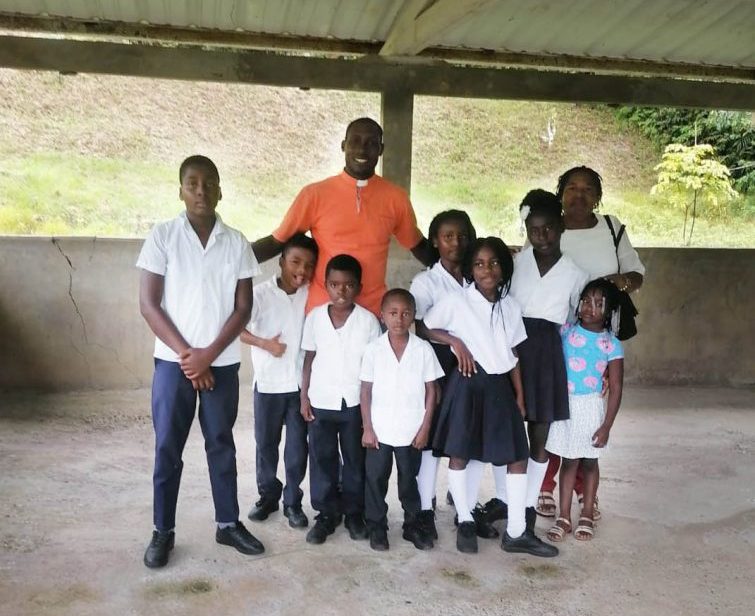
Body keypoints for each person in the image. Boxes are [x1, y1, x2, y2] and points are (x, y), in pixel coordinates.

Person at [137, 155, 263, 568]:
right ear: (180, 190)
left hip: (221, 364)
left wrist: (208, 355)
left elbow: (242, 308)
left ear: (221, 190)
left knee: (221, 444)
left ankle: (227, 524)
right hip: (173, 365)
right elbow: (149, 304)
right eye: (192, 183)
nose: (201, 191)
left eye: (209, 183)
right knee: (167, 448)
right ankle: (162, 532)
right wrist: (189, 357)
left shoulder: (237, 242)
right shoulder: (163, 236)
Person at [423, 237, 558, 557]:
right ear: (471, 268)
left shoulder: (510, 306)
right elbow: (428, 327)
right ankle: (466, 520)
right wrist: (456, 343)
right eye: (480, 263)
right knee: (460, 453)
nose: (487, 269)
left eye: (494, 263)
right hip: (467, 385)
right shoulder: (458, 301)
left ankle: (515, 532)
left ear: (504, 268)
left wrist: (521, 396)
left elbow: (512, 354)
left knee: (516, 456)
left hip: (500, 387)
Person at [537, 166, 645, 519]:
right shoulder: (548, 226)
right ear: (560, 193)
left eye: (588, 189)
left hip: (597, 343)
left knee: (588, 413)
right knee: (555, 411)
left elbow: (636, 273)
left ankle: (585, 491)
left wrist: (618, 284)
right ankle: (547, 485)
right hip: (558, 338)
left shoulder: (611, 228)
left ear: (598, 196)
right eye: (571, 187)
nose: (579, 195)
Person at [251, 117, 434, 316]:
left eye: (371, 143)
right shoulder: (315, 194)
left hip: (372, 311)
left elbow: (419, 246)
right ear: (343, 145)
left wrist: (462, 269)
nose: (362, 150)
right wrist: (228, 260)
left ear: (381, 150)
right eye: (355, 141)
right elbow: (276, 242)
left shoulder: (396, 198)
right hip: (321, 311)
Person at [483, 191, 588, 528]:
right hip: (512, 350)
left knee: (539, 432)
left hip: (546, 353)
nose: (542, 236)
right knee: (508, 429)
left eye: (549, 229)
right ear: (527, 229)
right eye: (534, 230)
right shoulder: (515, 263)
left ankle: (527, 505)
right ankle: (506, 499)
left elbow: (573, 318)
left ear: (561, 229)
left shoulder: (575, 273)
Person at [299, 254, 381, 544]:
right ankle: (326, 514)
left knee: (354, 461)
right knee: (322, 459)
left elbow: (373, 369)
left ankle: (354, 513)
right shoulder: (315, 318)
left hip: (354, 405)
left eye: (348, 285)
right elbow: (308, 358)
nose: (341, 291)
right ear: (326, 285)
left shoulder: (368, 322)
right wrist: (304, 397)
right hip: (321, 401)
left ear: (358, 287)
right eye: (334, 284)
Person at [242, 233, 319, 529]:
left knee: (298, 447)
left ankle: (292, 502)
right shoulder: (260, 294)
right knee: (266, 444)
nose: (302, 270)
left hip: (299, 387)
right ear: (281, 261)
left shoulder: (311, 293)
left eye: (309, 265)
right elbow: (235, 327)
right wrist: (264, 343)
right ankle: (268, 497)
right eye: (295, 262)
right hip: (268, 385)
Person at [409, 209, 476, 540]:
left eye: (462, 235)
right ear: (435, 241)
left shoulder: (477, 274)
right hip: (439, 363)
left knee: (465, 435)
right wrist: (452, 340)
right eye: (448, 236)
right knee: (432, 437)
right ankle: (424, 507)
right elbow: (419, 326)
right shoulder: (426, 281)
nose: (455, 242)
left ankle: (466, 506)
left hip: (472, 365)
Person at [360, 289, 444, 551]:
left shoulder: (423, 349)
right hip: (380, 431)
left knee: (409, 480)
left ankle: (412, 525)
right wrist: (368, 428)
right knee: (375, 479)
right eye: (393, 313)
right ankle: (377, 526)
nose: (399, 319)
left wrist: (425, 428)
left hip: (411, 431)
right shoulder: (373, 350)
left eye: (406, 313)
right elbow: (365, 390)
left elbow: (432, 391)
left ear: (413, 316)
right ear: (382, 316)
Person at [545, 279, 624, 542]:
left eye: (599, 304)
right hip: (566, 406)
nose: (591, 307)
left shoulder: (611, 344)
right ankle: (564, 516)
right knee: (568, 461)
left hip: (591, 407)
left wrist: (607, 426)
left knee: (590, 462)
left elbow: (615, 386)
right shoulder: (565, 332)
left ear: (609, 311)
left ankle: (587, 513)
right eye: (587, 300)